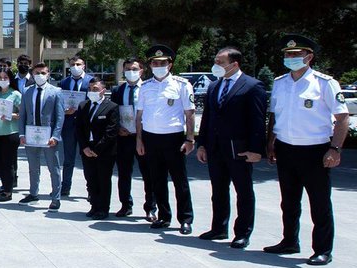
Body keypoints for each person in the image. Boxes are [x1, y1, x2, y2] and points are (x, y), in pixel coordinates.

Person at [264, 35, 349, 265]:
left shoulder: (324, 83)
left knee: (319, 202)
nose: (290, 58)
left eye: (295, 54)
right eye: (287, 54)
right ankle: (289, 241)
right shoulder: (280, 82)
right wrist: (271, 142)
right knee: (289, 201)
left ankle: (322, 249)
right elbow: (275, 115)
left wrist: (335, 149)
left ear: (308, 57)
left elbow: (342, 118)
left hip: (315, 150)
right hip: (286, 148)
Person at [194, 46, 267, 248]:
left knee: (243, 191)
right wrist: (202, 145)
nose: (216, 65)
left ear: (234, 64)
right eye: (216, 61)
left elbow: (258, 121)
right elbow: (208, 118)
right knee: (218, 190)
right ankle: (218, 227)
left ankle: (243, 232)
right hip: (215, 148)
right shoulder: (214, 87)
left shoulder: (252, 86)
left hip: (239, 149)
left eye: (220, 62)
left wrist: (256, 149)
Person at [135, 45, 195, 234]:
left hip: (174, 138)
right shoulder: (145, 87)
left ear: (170, 64)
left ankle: (185, 218)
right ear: (150, 65)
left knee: (180, 180)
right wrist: (139, 140)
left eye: (162, 62)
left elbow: (190, 114)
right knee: (157, 180)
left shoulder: (181, 84)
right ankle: (163, 216)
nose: (158, 65)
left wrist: (190, 139)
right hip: (151, 138)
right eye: (155, 62)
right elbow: (139, 116)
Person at [111, 57, 154, 220]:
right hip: (124, 137)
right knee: (123, 173)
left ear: (142, 71)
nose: (131, 72)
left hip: (144, 137)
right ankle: (125, 205)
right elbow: (113, 113)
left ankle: (151, 207)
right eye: (128, 69)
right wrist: (117, 128)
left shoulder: (148, 88)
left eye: (135, 69)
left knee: (148, 174)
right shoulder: (118, 90)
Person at [18, 62, 64, 211]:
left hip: (49, 136)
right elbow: (23, 115)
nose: (40, 76)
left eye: (43, 73)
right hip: (31, 135)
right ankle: (33, 194)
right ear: (32, 74)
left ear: (48, 74)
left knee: (54, 167)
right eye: (37, 73)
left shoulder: (56, 91)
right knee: (33, 167)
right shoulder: (27, 91)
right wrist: (22, 134)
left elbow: (60, 116)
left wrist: (56, 136)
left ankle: (56, 198)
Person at [76, 78, 119, 219]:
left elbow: (111, 132)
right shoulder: (83, 106)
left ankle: (103, 208)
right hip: (87, 149)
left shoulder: (111, 107)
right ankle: (94, 206)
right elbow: (79, 129)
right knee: (91, 179)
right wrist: (85, 147)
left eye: (95, 89)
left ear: (103, 90)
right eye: (90, 89)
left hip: (104, 151)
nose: (92, 91)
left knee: (103, 180)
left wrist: (97, 149)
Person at [59, 56, 91, 198]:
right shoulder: (64, 82)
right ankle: (65, 187)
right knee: (68, 158)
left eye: (78, 64)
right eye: (72, 64)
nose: (75, 66)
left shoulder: (91, 81)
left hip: (86, 125)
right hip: (69, 124)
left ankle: (91, 189)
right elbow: (60, 103)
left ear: (83, 65)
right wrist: (64, 111)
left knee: (88, 158)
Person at [0, 68, 22, 201]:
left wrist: (11, 115)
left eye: (5, 77)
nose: (2, 80)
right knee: (1, 163)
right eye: (0, 78)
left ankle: (8, 191)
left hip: (10, 132)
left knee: (8, 163)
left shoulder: (16, 94)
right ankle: (4, 187)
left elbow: (23, 114)